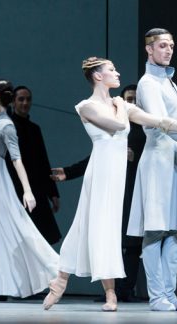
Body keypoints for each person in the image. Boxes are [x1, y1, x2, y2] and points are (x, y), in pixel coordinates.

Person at [43, 57, 177, 312]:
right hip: (101, 173)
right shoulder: (86, 106)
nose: (117, 73)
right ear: (98, 76)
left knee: (105, 230)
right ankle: (106, 292)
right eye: (111, 70)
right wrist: (125, 109)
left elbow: (155, 120)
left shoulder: (121, 105)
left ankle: (64, 280)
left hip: (117, 177)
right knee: (95, 226)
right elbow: (115, 126)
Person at [126, 28, 177, 312]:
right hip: (160, 160)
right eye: (162, 46)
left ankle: (169, 293)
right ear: (149, 49)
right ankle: (156, 295)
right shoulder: (148, 83)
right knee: (157, 229)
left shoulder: (169, 81)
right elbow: (162, 122)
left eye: (171, 46)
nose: (168, 50)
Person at [50, 84, 146, 302]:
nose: (130, 103)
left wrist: (134, 157)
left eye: (134, 100)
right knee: (104, 232)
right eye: (128, 99)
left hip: (133, 186)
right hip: (110, 184)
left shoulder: (142, 131)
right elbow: (97, 156)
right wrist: (69, 172)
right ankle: (110, 290)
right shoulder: (108, 121)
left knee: (131, 241)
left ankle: (125, 290)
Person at [0, 80, 59, 298]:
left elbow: (17, 160)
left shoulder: (7, 125)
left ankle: (55, 270)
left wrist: (28, 191)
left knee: (19, 228)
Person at [5, 86, 61, 245]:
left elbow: (43, 161)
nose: (25, 103)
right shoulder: (7, 127)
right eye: (21, 99)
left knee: (40, 239)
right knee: (18, 238)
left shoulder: (34, 129)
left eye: (28, 99)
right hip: (14, 189)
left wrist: (53, 193)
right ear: (13, 102)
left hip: (36, 189)